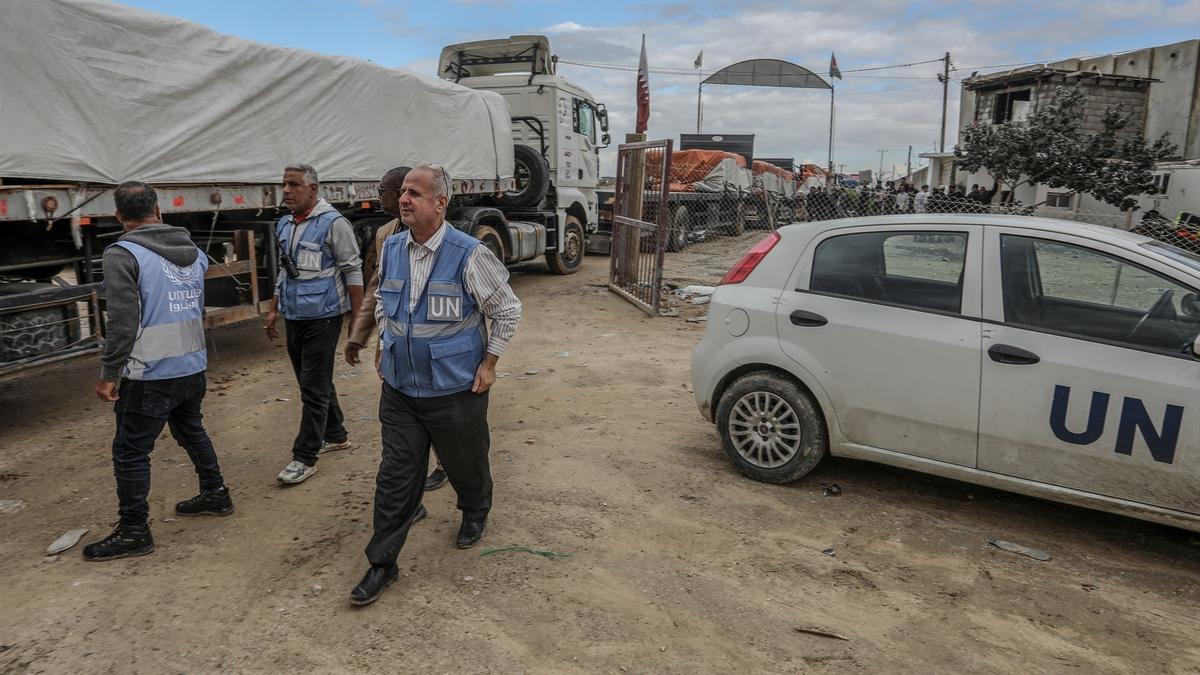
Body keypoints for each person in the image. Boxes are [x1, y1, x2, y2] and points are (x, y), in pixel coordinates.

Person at [350, 164, 522, 606]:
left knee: (465, 463)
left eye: (415, 193)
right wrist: (383, 343)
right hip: (402, 390)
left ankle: (475, 509)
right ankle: (382, 564)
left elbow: (507, 310)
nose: (404, 199)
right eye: (403, 192)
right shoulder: (390, 247)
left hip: (455, 389)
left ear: (440, 203)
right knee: (395, 476)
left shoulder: (470, 254)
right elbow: (386, 302)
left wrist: (490, 363)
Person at [83, 182, 232, 561]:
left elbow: (122, 321)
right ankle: (215, 493)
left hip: (149, 373)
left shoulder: (123, 253)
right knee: (190, 428)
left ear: (119, 216)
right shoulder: (193, 252)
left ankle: (134, 531)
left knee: (130, 452)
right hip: (191, 366)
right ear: (158, 210)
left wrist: (109, 371)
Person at [346, 166, 448, 493]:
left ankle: (449, 465)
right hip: (398, 347)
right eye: (399, 192)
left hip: (434, 348)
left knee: (440, 415)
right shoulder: (385, 235)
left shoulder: (445, 237)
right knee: (403, 428)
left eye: (384, 191)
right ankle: (409, 496)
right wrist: (364, 339)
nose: (392, 198)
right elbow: (379, 290)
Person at [264, 164, 364, 485]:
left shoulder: (334, 224)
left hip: (324, 317)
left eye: (294, 184)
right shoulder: (285, 224)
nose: (287, 191)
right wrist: (273, 308)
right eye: (284, 185)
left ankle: (304, 456)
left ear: (313, 189)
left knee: (313, 387)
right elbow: (284, 270)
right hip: (295, 316)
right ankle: (335, 434)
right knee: (314, 382)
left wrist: (358, 323)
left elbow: (353, 271)